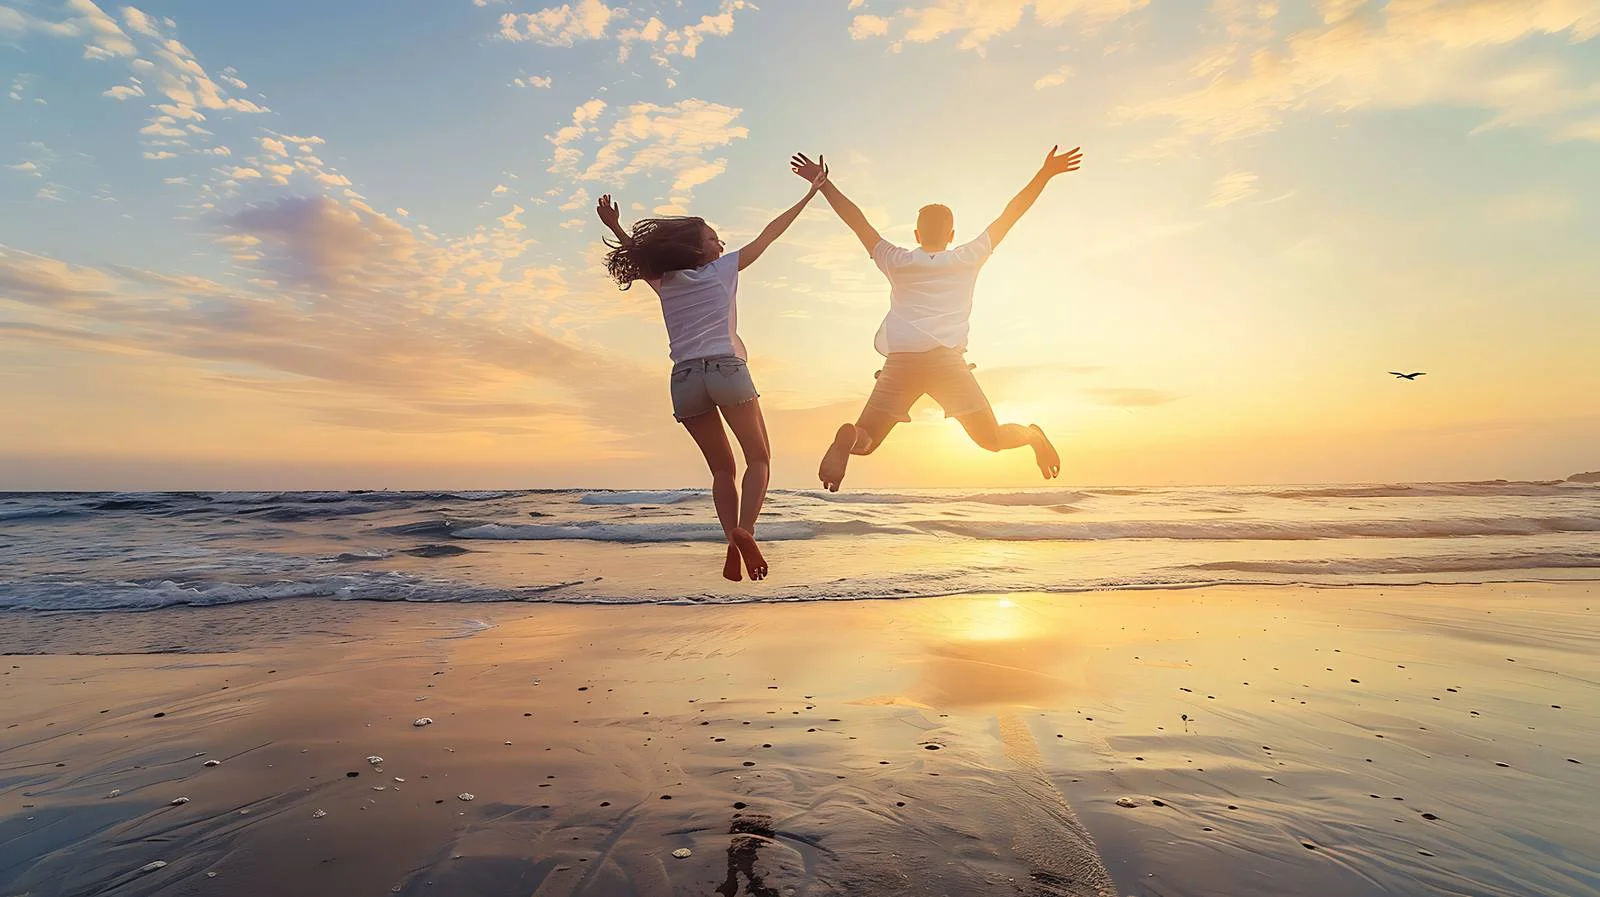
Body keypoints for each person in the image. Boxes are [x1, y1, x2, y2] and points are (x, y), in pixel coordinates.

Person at [790, 147, 1082, 492]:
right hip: (947, 363)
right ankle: (1033, 437)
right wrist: (1045, 174)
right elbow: (1011, 214)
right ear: (952, 234)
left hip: (901, 363)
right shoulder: (967, 257)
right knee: (992, 439)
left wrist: (822, 183)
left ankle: (849, 439)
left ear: (916, 235)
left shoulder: (895, 259)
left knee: (867, 439)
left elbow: (856, 220)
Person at [596, 164, 828, 580]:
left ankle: (731, 544)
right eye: (712, 237)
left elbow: (636, 255)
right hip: (726, 369)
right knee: (758, 459)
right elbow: (771, 233)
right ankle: (745, 530)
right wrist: (811, 194)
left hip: (684, 381)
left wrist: (615, 226)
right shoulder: (723, 271)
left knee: (722, 470)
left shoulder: (664, 280)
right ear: (700, 251)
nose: (719, 241)